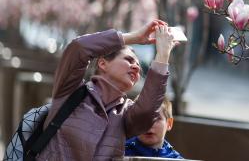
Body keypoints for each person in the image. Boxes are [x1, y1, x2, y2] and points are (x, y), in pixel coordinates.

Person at [36, 20, 177, 160]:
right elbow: (78, 48)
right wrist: (134, 37)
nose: (136, 67)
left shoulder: (126, 114)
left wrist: (163, 55)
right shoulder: (70, 90)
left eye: (138, 66)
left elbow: (148, 111)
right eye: (129, 60)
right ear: (103, 63)